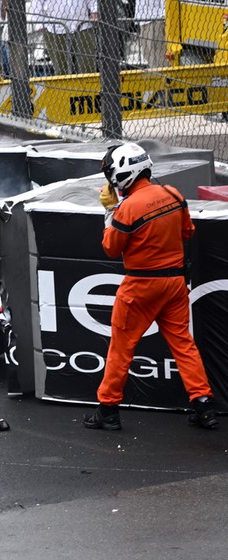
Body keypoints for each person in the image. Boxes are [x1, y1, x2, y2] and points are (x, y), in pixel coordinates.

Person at [84, 142, 219, 431]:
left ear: (123, 174)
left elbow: (110, 247)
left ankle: (108, 410)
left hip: (141, 286)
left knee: (121, 348)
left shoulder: (127, 208)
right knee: (183, 343)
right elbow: (188, 231)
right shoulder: (173, 194)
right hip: (174, 284)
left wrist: (109, 210)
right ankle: (204, 404)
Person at [33, 0, 97, 75]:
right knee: (62, 71)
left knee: (87, 69)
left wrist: (94, 9)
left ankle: (86, 86)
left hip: (83, 26)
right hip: (54, 30)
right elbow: (36, 3)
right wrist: (40, 23)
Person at [134, 0, 170, 68]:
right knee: (147, 53)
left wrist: (164, 16)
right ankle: (157, 75)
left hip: (156, 18)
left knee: (158, 55)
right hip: (143, 18)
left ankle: (163, 76)